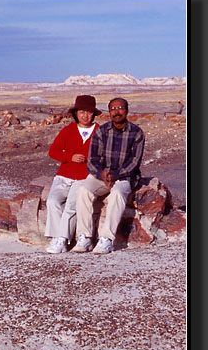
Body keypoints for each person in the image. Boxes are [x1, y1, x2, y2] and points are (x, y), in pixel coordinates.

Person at [71, 97, 145, 254]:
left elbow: (134, 162)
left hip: (125, 176)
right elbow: (92, 159)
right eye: (113, 109)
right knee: (84, 191)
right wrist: (101, 173)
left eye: (120, 108)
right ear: (109, 112)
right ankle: (84, 237)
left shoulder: (136, 133)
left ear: (127, 110)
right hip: (102, 175)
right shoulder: (101, 131)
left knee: (117, 194)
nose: (117, 112)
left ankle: (106, 239)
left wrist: (115, 174)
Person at [44, 95, 101, 253]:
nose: (85, 115)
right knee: (52, 201)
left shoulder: (99, 132)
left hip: (85, 177)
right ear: (76, 113)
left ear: (94, 114)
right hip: (63, 175)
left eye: (89, 112)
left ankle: (62, 239)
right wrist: (70, 157)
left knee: (71, 205)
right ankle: (56, 238)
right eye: (82, 112)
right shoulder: (68, 130)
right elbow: (53, 151)